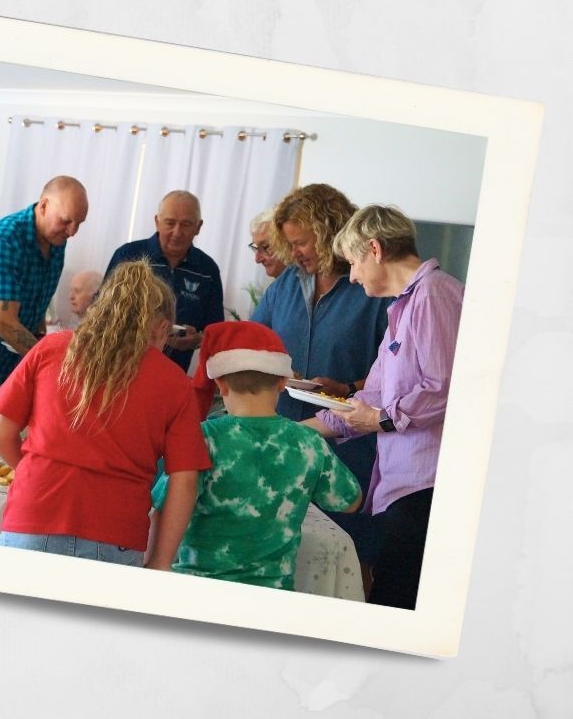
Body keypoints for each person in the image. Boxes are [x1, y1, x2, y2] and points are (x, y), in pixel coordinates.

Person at [0, 260, 211, 568]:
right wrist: (160, 562)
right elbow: (185, 481)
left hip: (32, 518)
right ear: (161, 328)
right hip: (116, 535)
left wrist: (36, 475)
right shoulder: (174, 382)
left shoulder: (50, 349)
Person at [302, 205, 464, 610]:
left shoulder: (435, 294)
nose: (352, 275)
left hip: (427, 485)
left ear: (374, 249)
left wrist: (379, 419)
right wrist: (300, 429)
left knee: (397, 603)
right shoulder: (401, 308)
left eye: (354, 262)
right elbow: (370, 399)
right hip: (402, 485)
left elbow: (443, 388)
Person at [151, 321, 361, 589]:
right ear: (283, 382)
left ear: (220, 385)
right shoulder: (309, 443)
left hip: (197, 589)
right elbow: (350, 501)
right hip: (271, 595)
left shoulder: (203, 438)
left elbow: (163, 506)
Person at [249, 183, 390, 577]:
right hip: (289, 439)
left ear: (329, 233)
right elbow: (253, 339)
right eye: (287, 243)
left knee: (351, 557)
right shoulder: (286, 286)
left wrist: (349, 387)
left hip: (353, 450)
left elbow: (399, 374)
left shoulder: (371, 289)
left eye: (301, 242)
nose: (293, 253)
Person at [0, 175, 89, 388]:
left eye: (79, 223)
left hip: (8, 363)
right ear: (43, 206)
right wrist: (56, 364)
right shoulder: (5, 239)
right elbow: (6, 324)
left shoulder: (57, 241)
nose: (73, 232)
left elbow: (37, 306)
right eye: (66, 221)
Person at [104, 190, 224, 372]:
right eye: (170, 223)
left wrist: (197, 340)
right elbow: (103, 311)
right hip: (123, 367)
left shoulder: (207, 270)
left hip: (174, 373)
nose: (177, 232)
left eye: (186, 225)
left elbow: (215, 328)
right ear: (157, 221)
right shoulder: (129, 256)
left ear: (198, 227)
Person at [249, 208, 286, 280]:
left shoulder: (309, 286)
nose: (257, 260)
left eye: (265, 247)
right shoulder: (273, 289)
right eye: (255, 248)